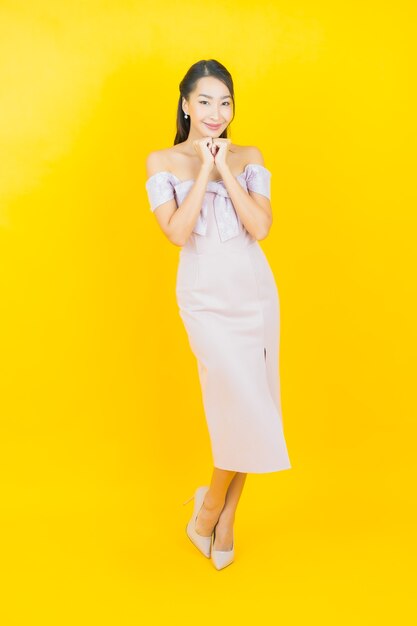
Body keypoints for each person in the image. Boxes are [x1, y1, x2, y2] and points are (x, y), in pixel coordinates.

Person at [145, 59, 291, 570]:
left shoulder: (249, 156)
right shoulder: (160, 161)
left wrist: (226, 165)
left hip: (254, 293)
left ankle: (221, 517)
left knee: (254, 403)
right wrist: (203, 165)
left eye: (224, 102)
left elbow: (261, 226)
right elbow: (178, 233)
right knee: (237, 402)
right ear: (185, 104)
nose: (215, 112)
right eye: (204, 101)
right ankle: (210, 507)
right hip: (204, 298)